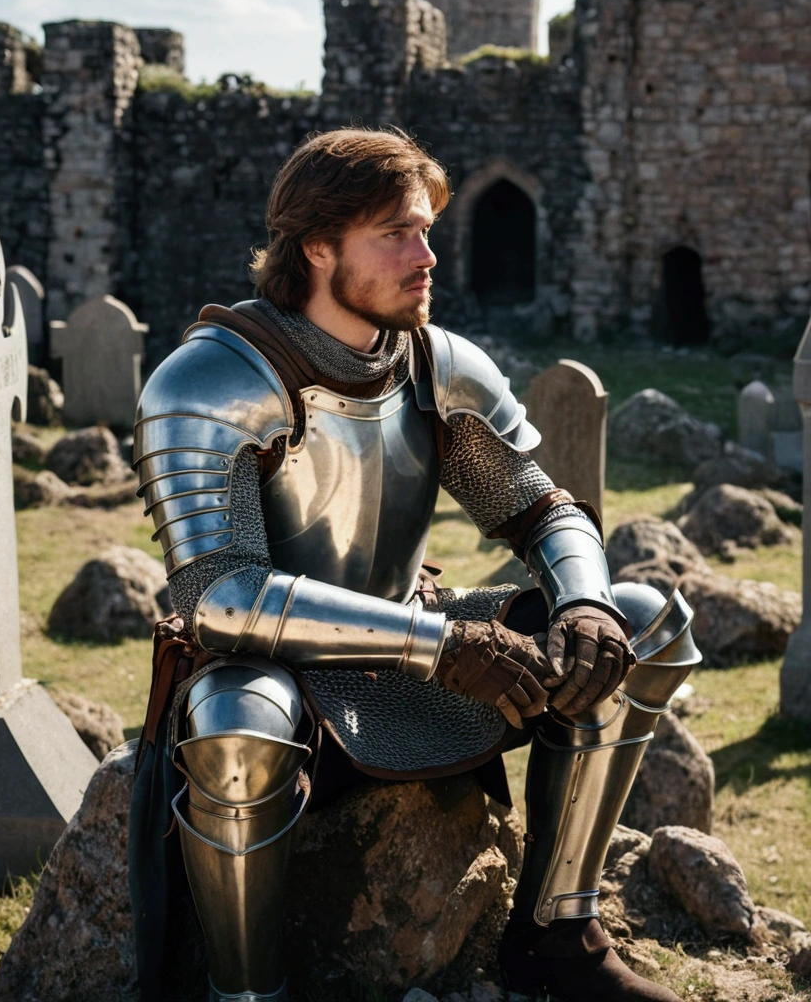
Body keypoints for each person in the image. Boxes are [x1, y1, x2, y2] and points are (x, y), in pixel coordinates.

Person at [129, 127, 699, 1002]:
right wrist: (438, 645)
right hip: (285, 673)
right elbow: (219, 595)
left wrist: (583, 604)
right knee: (236, 715)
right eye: (397, 233)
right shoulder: (207, 384)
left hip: (423, 638)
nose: (427, 254)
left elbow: (542, 506)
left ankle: (559, 933)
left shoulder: (435, 361)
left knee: (642, 617)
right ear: (316, 245)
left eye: (429, 229)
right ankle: (247, 993)